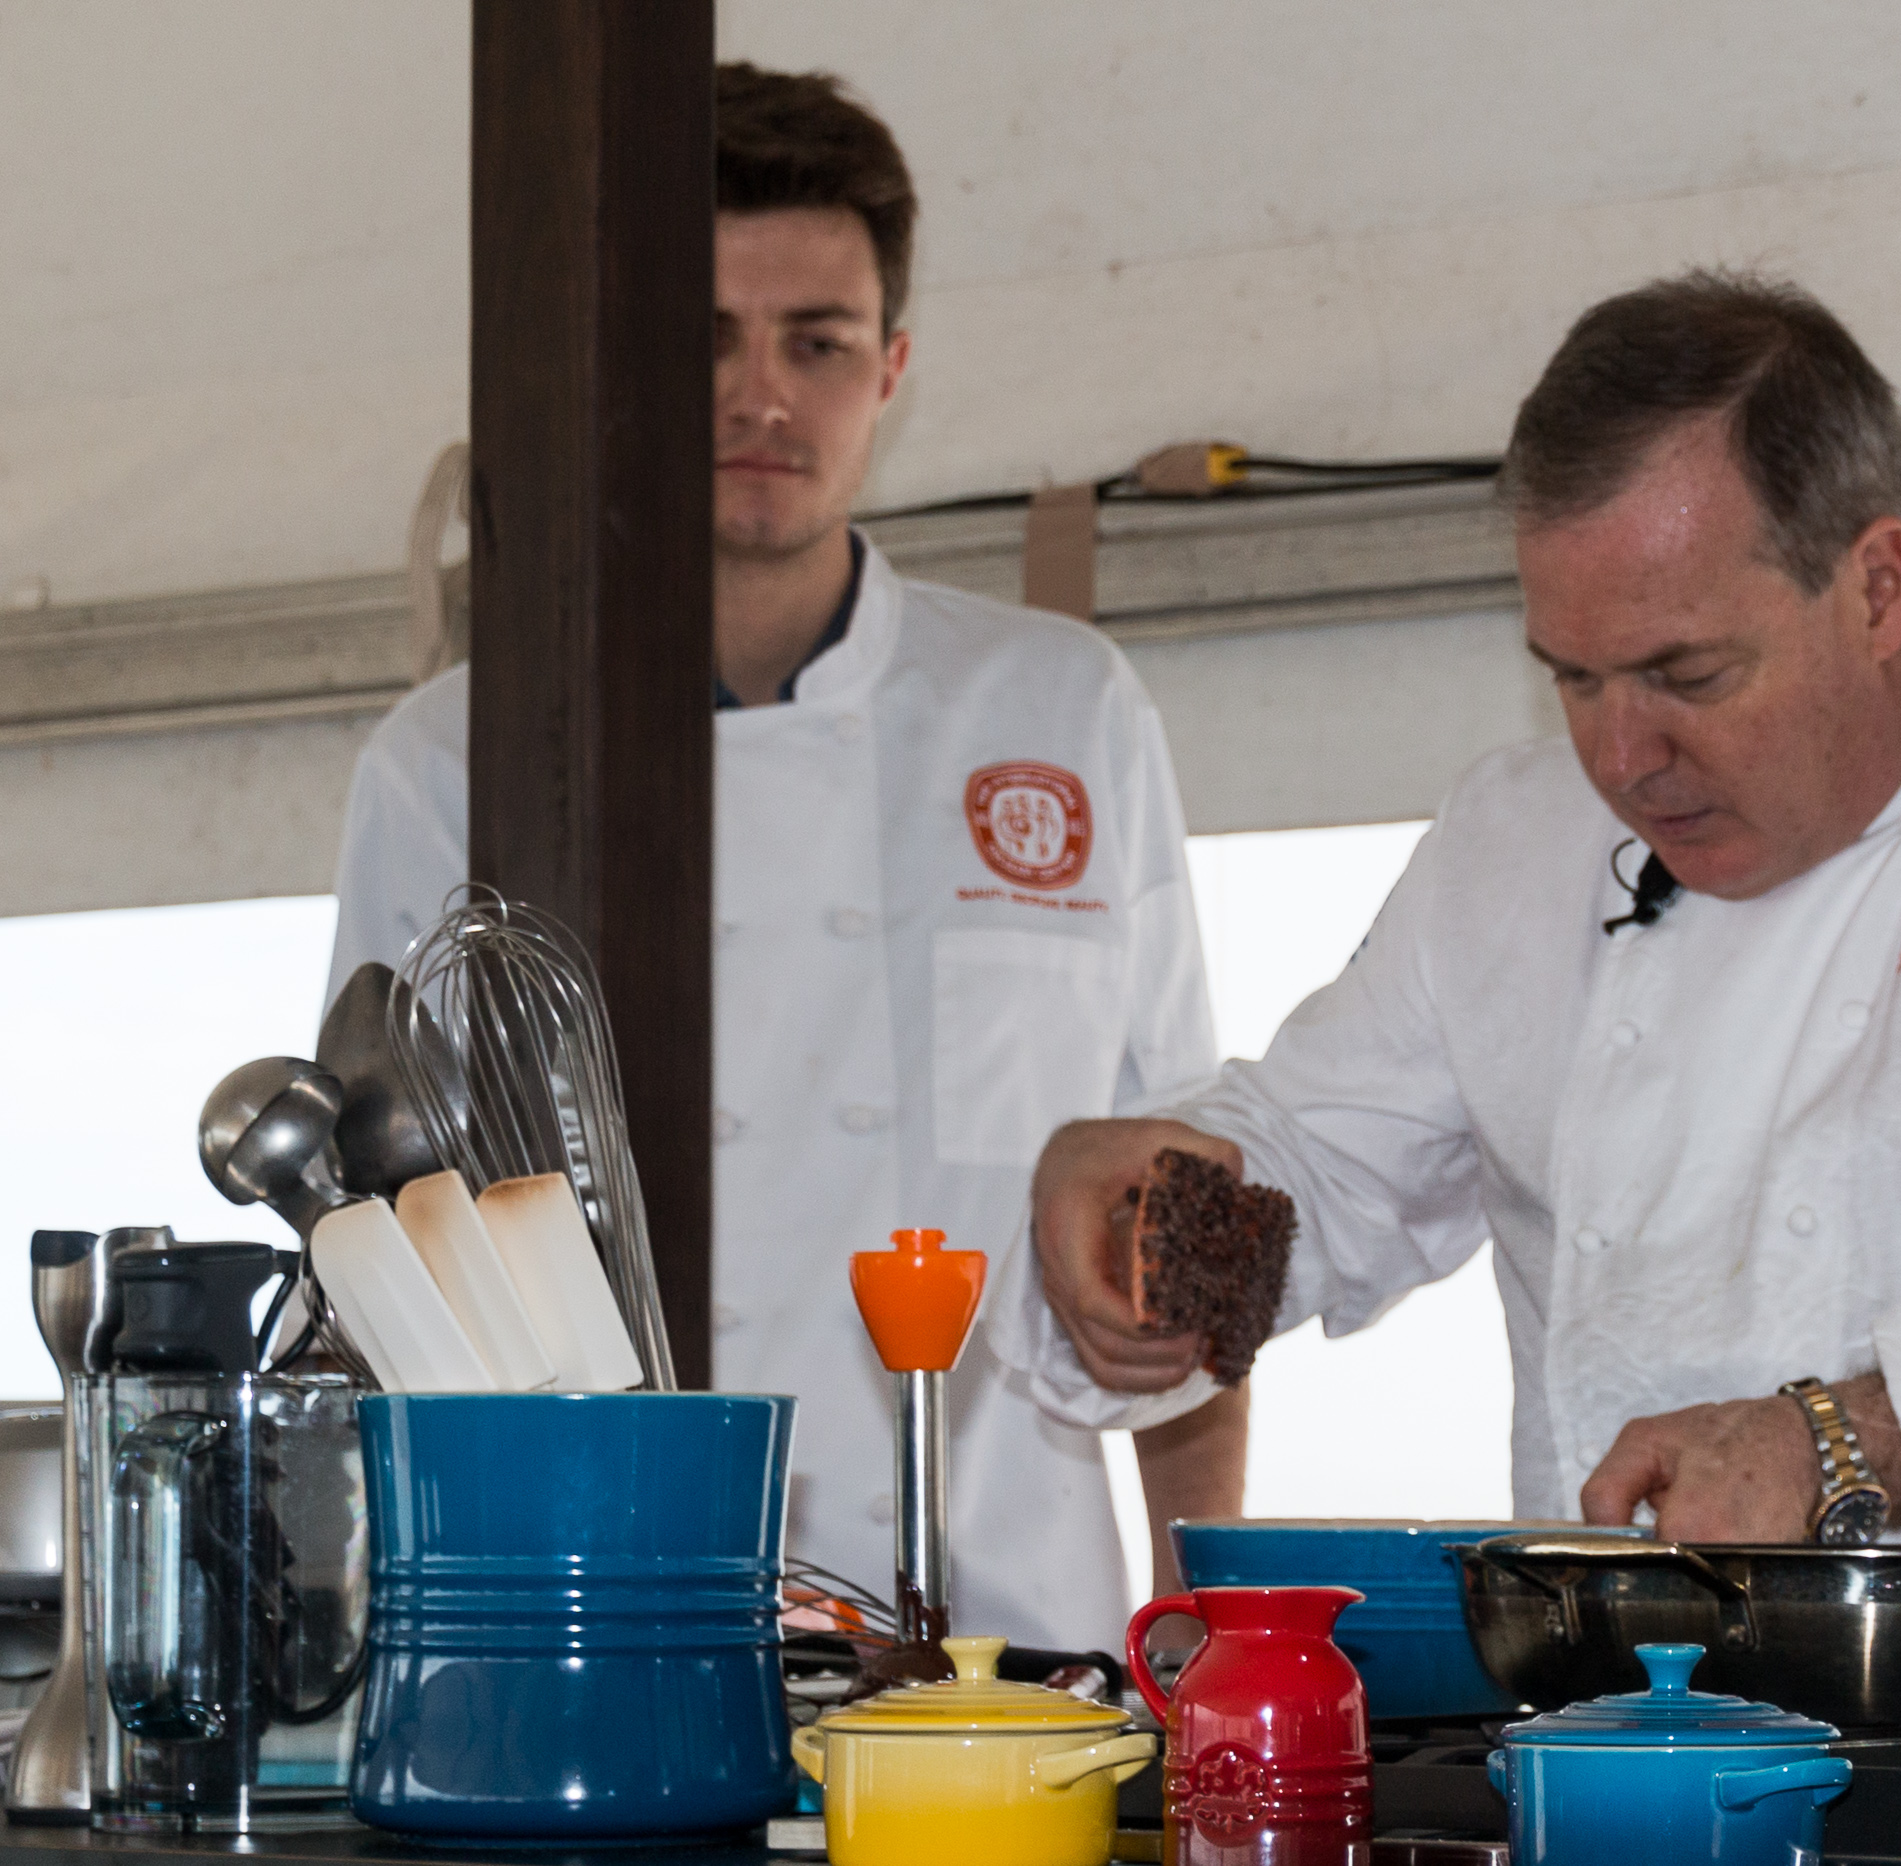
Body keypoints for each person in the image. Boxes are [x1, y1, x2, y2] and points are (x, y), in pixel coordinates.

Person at [1003, 272, 1901, 1701]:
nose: (1622, 756)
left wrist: (1843, 1437)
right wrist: (1132, 1207)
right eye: (1573, 678)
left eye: (1686, 672)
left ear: (1877, 587)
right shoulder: (1511, 847)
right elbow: (1307, 1163)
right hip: (1635, 1766)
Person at [327, 63, 1242, 1653]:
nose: (762, 396)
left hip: (1020, 1648)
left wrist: (1210, 1636)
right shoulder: (443, 762)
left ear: (889, 369)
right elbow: (396, 1260)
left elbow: (1185, 1247)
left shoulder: (1057, 707)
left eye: (816, 341)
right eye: (705, 339)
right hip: (603, 1633)